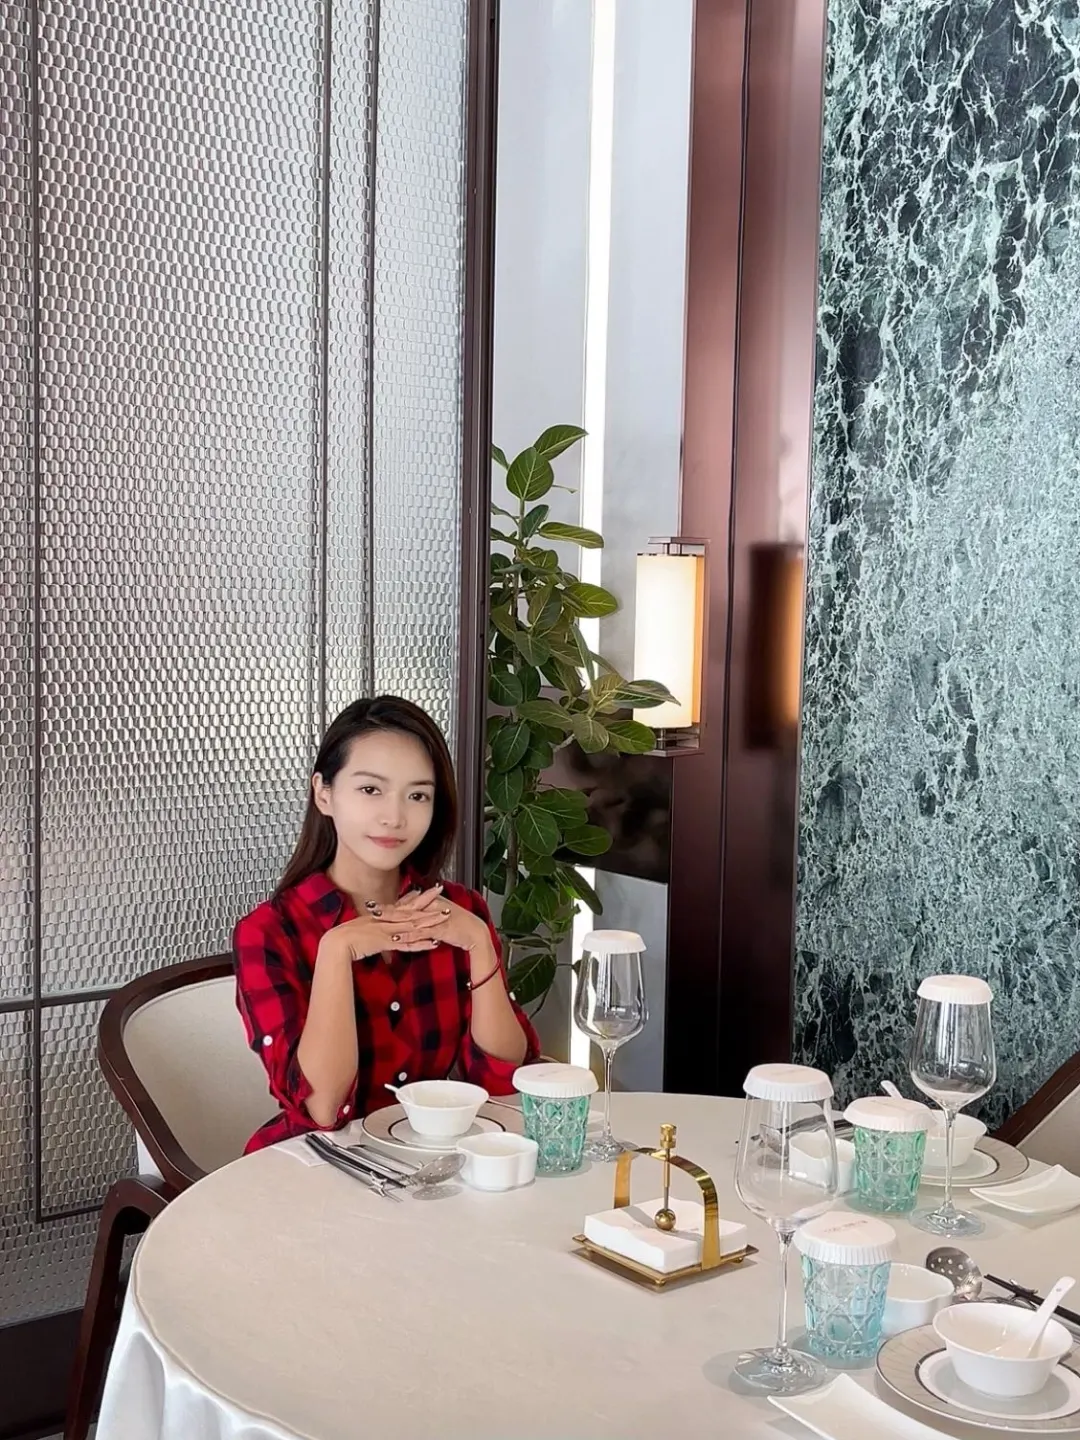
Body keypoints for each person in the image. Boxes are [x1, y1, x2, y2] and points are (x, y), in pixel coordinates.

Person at [234, 695, 539, 1153]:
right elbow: (323, 1109)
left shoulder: (459, 911)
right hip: (315, 1168)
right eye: (370, 790)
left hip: (431, 1159)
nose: (394, 817)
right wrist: (337, 950)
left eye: (417, 795)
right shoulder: (269, 932)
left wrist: (479, 942)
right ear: (323, 793)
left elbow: (501, 1080)